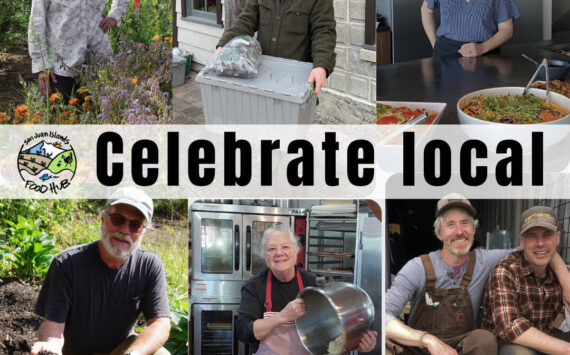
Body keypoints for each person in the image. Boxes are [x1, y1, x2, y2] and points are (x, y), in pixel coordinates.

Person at [385, 193, 570, 355]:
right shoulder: (417, 268)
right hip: (419, 348)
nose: (459, 231)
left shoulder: (485, 260)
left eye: (465, 223)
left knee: (483, 339)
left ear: (474, 229)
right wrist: (427, 340)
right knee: (385, 345)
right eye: (451, 224)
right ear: (439, 233)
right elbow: (384, 315)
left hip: (459, 348)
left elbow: (537, 250)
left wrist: (565, 280)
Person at [31, 187, 171, 355]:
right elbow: (53, 326)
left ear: (144, 231)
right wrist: (50, 347)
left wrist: (133, 354)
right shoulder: (67, 264)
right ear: (103, 218)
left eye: (135, 225)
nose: (125, 231)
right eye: (118, 219)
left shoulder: (149, 265)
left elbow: (160, 323)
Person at [236, 224, 377, 354]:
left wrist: (358, 343)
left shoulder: (312, 283)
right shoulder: (254, 287)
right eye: (272, 248)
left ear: (296, 250)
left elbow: (331, 332)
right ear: (264, 255)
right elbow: (243, 331)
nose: (279, 253)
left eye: (285, 247)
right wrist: (282, 317)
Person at [481, 206, 570, 355]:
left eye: (547, 235)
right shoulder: (505, 271)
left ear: (558, 238)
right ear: (521, 242)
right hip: (506, 345)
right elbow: (509, 327)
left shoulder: (561, 274)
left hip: (544, 340)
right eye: (532, 236)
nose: (540, 243)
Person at [214, 0, 336, 94]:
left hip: (296, 83)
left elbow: (323, 30)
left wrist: (321, 66)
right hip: (262, 77)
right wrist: (223, 46)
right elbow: (246, 21)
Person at [28, 0, 128, 99]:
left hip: (98, 56)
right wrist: (42, 63)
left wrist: (115, 14)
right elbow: (37, 19)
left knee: (104, 110)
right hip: (62, 63)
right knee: (63, 112)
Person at [420, 0, 519, 57]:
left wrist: (483, 47)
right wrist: (435, 45)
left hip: (485, 55)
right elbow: (426, 11)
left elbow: (507, 29)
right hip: (445, 55)